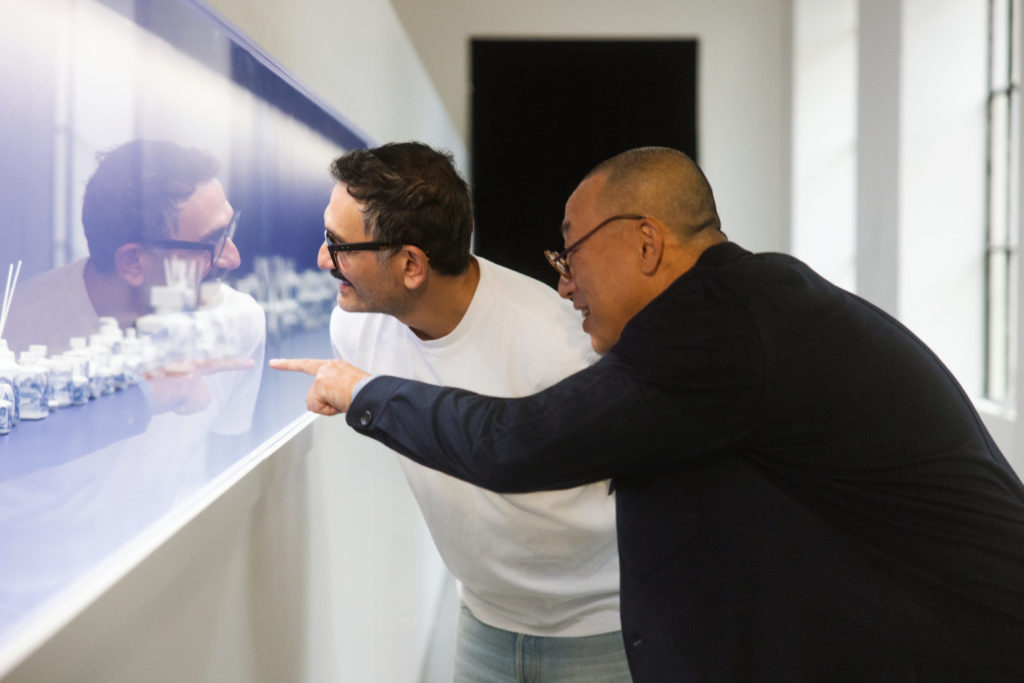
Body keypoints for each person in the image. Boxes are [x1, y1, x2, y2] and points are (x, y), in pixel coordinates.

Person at [272, 146, 1024, 681]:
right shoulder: (749, 299)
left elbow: (518, 442)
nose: (566, 285)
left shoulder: (711, 330)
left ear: (645, 242)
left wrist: (363, 393)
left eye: (571, 255)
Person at [312, 142, 630, 680]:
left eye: (338, 246)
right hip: (483, 622)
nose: (324, 260)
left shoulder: (560, 342)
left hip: (598, 633)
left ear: (411, 264)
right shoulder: (355, 327)